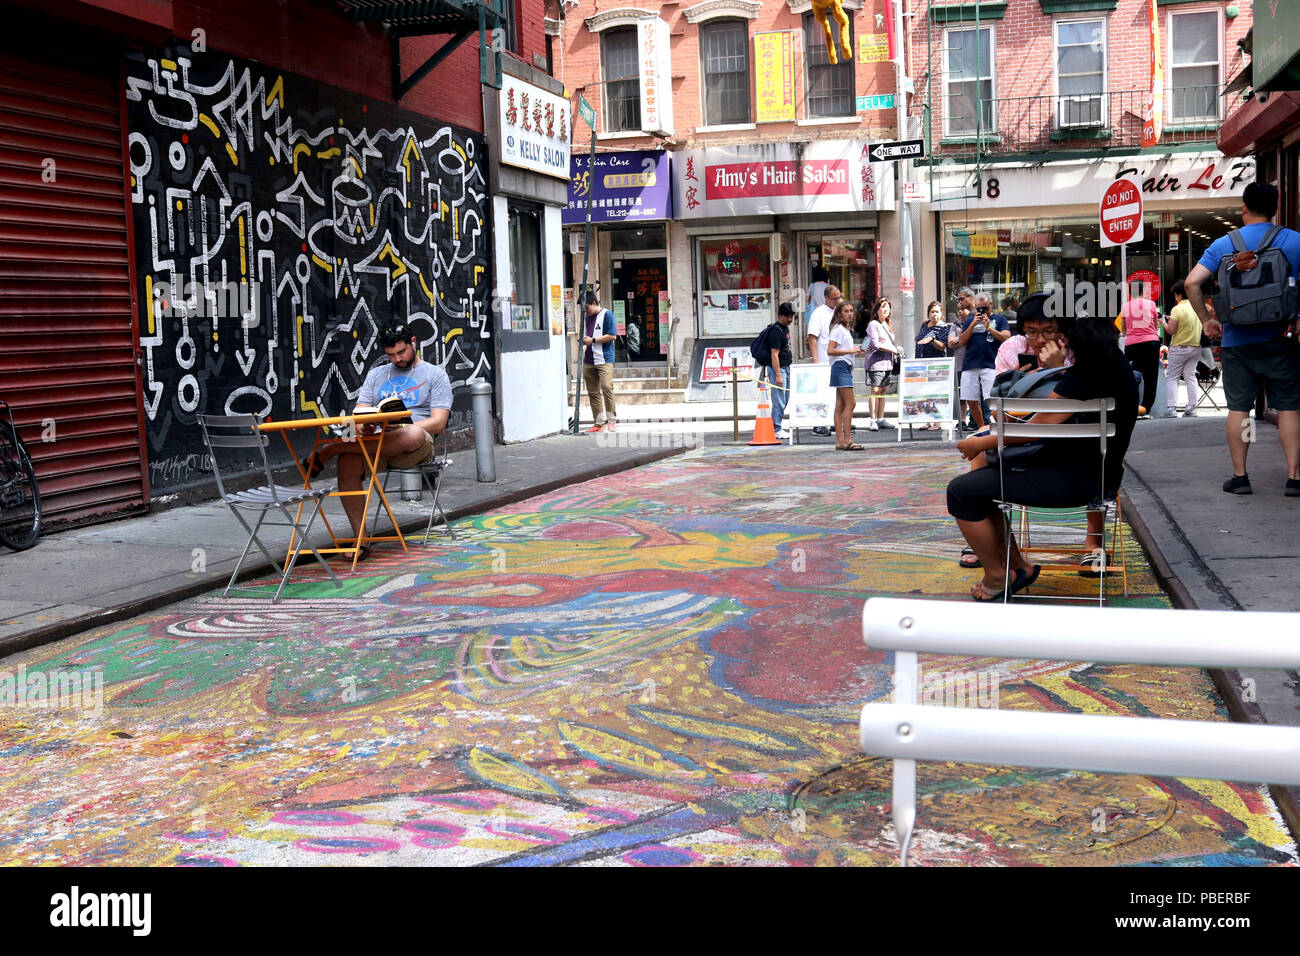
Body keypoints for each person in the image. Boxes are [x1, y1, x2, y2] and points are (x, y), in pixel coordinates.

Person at [947, 302, 1139, 600]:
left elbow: (1035, 427)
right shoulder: (1110, 363)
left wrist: (979, 442)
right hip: (1099, 475)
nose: (1042, 339)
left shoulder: (1084, 373)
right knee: (979, 482)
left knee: (961, 491)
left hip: (1072, 480)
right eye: (1034, 332)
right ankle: (1016, 567)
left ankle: (999, 576)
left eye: (1052, 331)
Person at [1184, 181, 1300, 496]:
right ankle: (1294, 477)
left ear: (1243, 208)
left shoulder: (1224, 244)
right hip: (1281, 339)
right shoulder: (1294, 241)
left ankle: (1241, 475)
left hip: (1237, 343)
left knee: (1241, 409)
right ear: (1276, 209)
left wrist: (1207, 321)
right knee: (1289, 407)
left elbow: (1192, 283)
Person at [305, 324, 452, 558]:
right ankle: (361, 539)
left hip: (415, 446)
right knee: (347, 462)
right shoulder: (377, 374)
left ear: (413, 342)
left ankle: (330, 449)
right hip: (377, 443)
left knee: (410, 433)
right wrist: (366, 423)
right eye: (391, 355)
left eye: (402, 352)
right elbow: (360, 411)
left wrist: (404, 425)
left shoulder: (435, 375)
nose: (397, 359)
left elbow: (438, 423)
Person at [954, 290, 1010, 431]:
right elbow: (961, 341)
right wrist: (972, 324)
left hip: (991, 364)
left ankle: (1002, 427)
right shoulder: (969, 320)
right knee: (971, 399)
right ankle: (982, 428)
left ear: (991, 305)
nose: (981, 311)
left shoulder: (1000, 319)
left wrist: (990, 328)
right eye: (978, 308)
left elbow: (1007, 338)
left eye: (984, 308)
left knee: (991, 399)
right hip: (970, 364)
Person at [1162, 279, 1203, 418]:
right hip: (1196, 347)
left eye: (1175, 295)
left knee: (1172, 377)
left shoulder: (1177, 308)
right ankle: (1192, 407)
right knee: (1190, 376)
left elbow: (1171, 330)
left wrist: (1163, 322)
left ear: (1179, 295)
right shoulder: (1196, 307)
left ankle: (1171, 409)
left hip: (1180, 348)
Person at [805, 284, 843, 437]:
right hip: (823, 359)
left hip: (837, 359)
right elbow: (812, 337)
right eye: (835, 298)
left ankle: (835, 421)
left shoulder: (839, 311)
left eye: (839, 297)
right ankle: (818, 424)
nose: (837, 300)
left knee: (836, 392)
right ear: (826, 297)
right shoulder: (819, 313)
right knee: (822, 392)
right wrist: (816, 360)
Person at [826, 300, 863, 450]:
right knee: (851, 403)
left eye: (851, 311)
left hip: (844, 366)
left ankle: (840, 442)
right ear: (839, 314)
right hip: (840, 366)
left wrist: (856, 351)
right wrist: (851, 351)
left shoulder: (845, 330)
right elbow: (830, 350)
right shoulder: (838, 329)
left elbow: (842, 350)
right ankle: (847, 440)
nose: (850, 314)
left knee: (840, 405)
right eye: (846, 311)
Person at [580, 291, 619, 434]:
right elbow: (587, 334)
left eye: (587, 307)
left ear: (595, 303)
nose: (585, 311)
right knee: (593, 392)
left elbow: (613, 335)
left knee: (607, 387)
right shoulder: (586, 317)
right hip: (589, 359)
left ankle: (612, 421)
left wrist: (593, 340)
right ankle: (599, 422)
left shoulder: (607, 315)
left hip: (604, 359)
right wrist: (584, 339)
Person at [1120, 283, 1160, 417]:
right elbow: (1156, 324)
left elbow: (1123, 329)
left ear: (1131, 292)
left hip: (1132, 345)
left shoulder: (1125, 306)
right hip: (1150, 343)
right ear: (1143, 290)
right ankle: (1145, 410)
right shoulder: (1151, 304)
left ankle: (1132, 408)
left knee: (1131, 377)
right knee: (1151, 378)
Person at [757, 302, 796, 439]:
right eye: (787, 316)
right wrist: (778, 374)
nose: (790, 319)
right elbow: (774, 354)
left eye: (792, 316)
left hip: (786, 367)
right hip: (778, 369)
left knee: (785, 398)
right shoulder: (776, 331)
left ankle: (776, 425)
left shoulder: (785, 328)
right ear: (781, 315)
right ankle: (776, 428)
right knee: (779, 399)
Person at [862, 297, 902, 430]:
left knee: (883, 390)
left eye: (887, 307)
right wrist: (893, 349)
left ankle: (881, 418)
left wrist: (896, 349)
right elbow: (876, 344)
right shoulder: (873, 324)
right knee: (875, 390)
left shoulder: (887, 324)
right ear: (877, 310)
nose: (885, 310)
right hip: (875, 362)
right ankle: (873, 420)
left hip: (887, 362)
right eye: (882, 307)